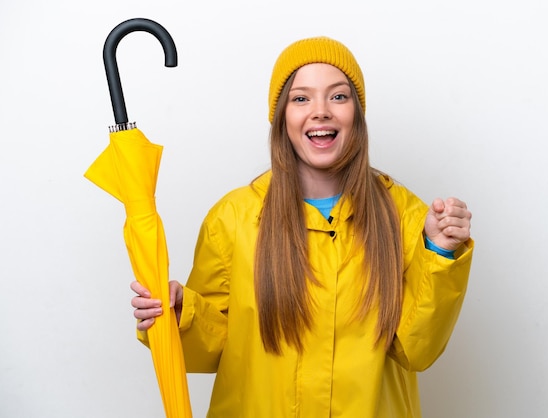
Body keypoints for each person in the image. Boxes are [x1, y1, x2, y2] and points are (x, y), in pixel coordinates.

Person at [131, 36, 473, 418]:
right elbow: (213, 348)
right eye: (301, 98)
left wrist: (440, 252)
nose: (321, 111)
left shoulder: (404, 215)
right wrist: (181, 315)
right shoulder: (233, 219)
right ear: (281, 118)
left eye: (339, 97)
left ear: (357, 115)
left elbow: (417, 348)